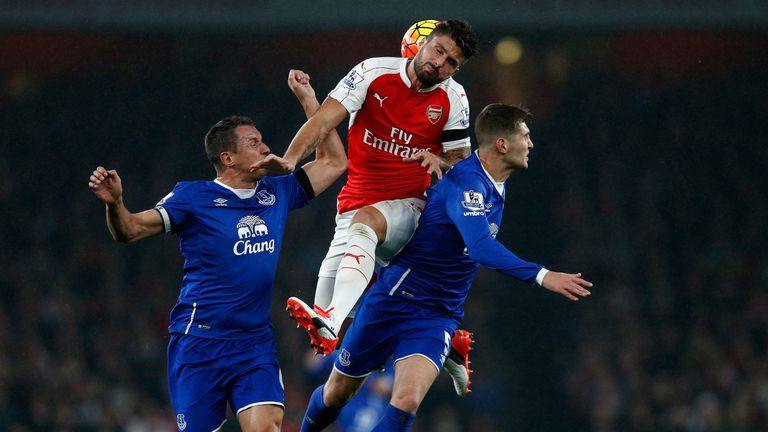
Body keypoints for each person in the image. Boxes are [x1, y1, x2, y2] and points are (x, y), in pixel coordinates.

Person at [296, 103, 594, 431]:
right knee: (337, 394)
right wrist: (542, 275)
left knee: (406, 399)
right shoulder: (469, 184)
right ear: (502, 144)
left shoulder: (494, 180)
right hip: (394, 300)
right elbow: (481, 247)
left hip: (438, 315)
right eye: (525, 136)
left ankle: (451, 342)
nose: (532, 143)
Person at [87, 70, 346, 432]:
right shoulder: (193, 197)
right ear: (227, 157)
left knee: (267, 427)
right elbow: (128, 231)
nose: (266, 148)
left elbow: (335, 162)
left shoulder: (277, 192)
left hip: (254, 343)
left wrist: (309, 101)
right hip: (199, 343)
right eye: (254, 143)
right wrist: (115, 203)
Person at [253, 19, 480, 395]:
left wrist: (444, 165)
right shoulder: (373, 72)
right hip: (355, 203)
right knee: (338, 338)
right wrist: (291, 159)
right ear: (422, 45)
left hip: (412, 210)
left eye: (452, 62)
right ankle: (447, 340)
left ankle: (333, 316)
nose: (441, 64)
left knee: (365, 227)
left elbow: (462, 167)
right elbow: (326, 120)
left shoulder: (454, 99)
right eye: (439, 51)